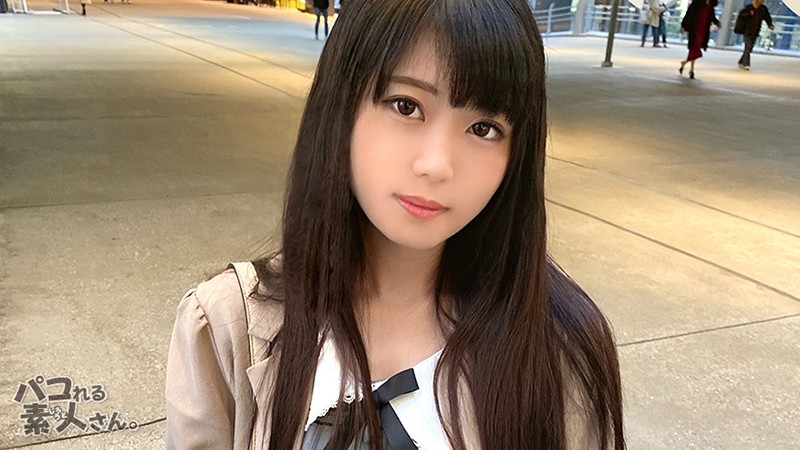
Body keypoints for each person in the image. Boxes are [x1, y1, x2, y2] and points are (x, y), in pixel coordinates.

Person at [165, 0, 626, 448]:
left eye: (483, 128)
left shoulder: (559, 351)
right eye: (406, 106)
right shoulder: (228, 324)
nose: (437, 164)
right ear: (342, 106)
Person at [679, 0, 720, 80]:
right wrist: (684, 26)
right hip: (695, 29)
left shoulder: (710, 6)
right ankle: (691, 70)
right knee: (695, 49)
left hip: (703, 31)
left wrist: (717, 22)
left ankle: (685, 63)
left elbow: (712, 17)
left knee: (695, 49)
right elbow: (688, 14)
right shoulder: (696, 3)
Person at [737, 0, 774, 70]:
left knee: (749, 48)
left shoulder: (763, 9)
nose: (762, 1)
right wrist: (749, 13)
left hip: (756, 31)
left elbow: (767, 17)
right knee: (747, 47)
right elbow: (742, 15)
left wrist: (770, 24)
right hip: (747, 31)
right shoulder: (749, 7)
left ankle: (741, 61)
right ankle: (746, 64)